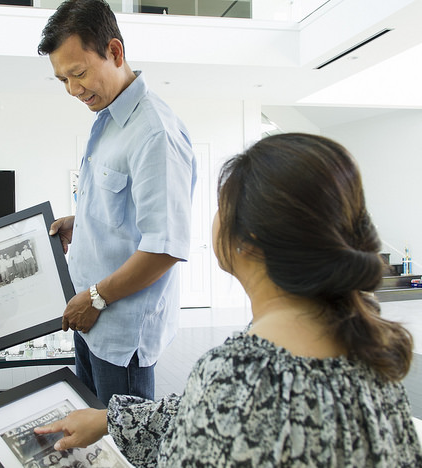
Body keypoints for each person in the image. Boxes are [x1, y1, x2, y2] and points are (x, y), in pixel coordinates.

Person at [35, 133, 422, 466]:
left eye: (223, 203)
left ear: (248, 242)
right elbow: (198, 410)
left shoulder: (238, 375)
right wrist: (107, 420)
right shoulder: (371, 351)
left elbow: (220, 408)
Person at [38, 0, 197, 405]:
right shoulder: (108, 117)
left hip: (119, 332)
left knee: (126, 452)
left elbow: (165, 247)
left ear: (115, 52)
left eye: (79, 73)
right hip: (90, 321)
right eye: (62, 80)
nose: (73, 90)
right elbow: (127, 212)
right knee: (94, 444)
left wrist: (96, 298)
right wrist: (85, 222)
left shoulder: (154, 133)